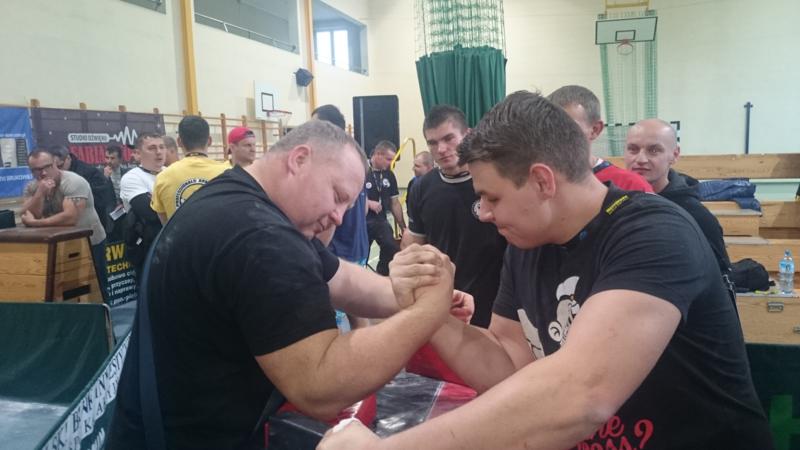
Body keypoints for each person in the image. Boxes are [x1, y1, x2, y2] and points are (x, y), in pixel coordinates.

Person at [318, 91, 772, 450]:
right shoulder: (527, 243)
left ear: (542, 181)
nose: (483, 213)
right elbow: (508, 365)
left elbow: (580, 395)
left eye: (492, 197)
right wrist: (431, 313)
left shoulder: (653, 232)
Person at [107, 120, 465, 450]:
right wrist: (426, 313)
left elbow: (339, 277)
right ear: (299, 159)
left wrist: (405, 294)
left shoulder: (242, 201)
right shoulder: (259, 235)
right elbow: (321, 384)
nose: (339, 217)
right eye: (338, 195)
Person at [402, 105, 506, 327]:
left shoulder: (494, 180)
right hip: (445, 302)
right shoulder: (421, 188)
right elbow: (417, 245)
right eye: (433, 143)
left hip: (495, 301)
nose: (441, 149)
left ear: (467, 135)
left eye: (449, 138)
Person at [624, 118, 732, 276]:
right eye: (633, 149)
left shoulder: (696, 215)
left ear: (674, 155)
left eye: (653, 150)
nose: (640, 159)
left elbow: (718, 277)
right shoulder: (614, 203)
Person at [21, 149, 109, 300]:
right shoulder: (33, 187)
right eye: (37, 170)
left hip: (91, 242)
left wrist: (36, 223)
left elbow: (70, 218)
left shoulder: (73, 182)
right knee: (67, 289)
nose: (43, 173)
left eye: (46, 167)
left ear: (55, 164)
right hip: (60, 244)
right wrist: (40, 194)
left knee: (97, 288)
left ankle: (105, 314)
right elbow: (27, 214)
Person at [312, 104, 370, 330]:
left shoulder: (329, 162)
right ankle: (367, 352)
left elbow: (328, 215)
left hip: (339, 252)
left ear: (326, 127)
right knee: (358, 312)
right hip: (358, 247)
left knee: (332, 321)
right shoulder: (357, 156)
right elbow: (363, 208)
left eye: (314, 126)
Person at [547, 85, 653, 192]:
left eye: (568, 128)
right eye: (548, 128)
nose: (555, 136)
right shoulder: (541, 182)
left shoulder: (631, 185)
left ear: (595, 130)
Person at [151, 115, 228, 223]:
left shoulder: (162, 177)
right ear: (210, 141)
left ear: (179, 142)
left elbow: (165, 224)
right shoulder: (228, 173)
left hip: (180, 233)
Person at [119, 133, 165, 275]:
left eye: (162, 147)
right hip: (146, 246)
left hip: (171, 242)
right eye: (152, 148)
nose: (158, 152)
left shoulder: (170, 172)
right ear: (138, 153)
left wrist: (156, 199)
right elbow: (150, 213)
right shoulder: (132, 177)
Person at [49, 145, 117, 233]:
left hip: (89, 226)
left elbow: (102, 201)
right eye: (53, 167)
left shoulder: (89, 172)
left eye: (60, 166)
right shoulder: (52, 175)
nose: (58, 170)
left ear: (68, 158)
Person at [366, 140, 405, 275]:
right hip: (362, 221)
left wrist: (403, 227)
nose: (390, 163)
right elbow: (350, 196)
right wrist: (367, 203)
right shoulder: (362, 170)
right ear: (378, 154)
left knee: (391, 247)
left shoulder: (389, 174)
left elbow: (395, 203)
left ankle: (381, 275)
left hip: (380, 220)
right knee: (361, 254)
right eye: (388, 159)